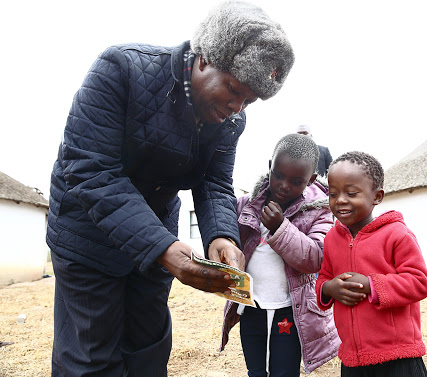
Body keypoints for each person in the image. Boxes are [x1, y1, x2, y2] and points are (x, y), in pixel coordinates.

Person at [46, 1, 294, 376]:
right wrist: (163, 248)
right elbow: (90, 171)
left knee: (149, 348)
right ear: (204, 58)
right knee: (92, 358)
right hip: (88, 235)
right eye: (232, 89)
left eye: (248, 100)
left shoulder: (229, 121)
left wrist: (223, 236)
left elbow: (214, 181)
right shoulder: (122, 69)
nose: (237, 106)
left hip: (155, 236)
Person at [219, 133, 340, 377]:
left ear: (311, 179)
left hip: (290, 312)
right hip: (251, 307)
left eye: (296, 181)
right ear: (270, 167)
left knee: (283, 372)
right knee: (256, 372)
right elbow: (225, 235)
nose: (284, 185)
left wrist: (280, 227)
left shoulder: (319, 212)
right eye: (279, 175)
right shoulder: (247, 205)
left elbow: (315, 258)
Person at [316, 151, 427, 377]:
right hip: (352, 358)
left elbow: (419, 282)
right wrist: (329, 288)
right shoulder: (331, 239)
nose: (340, 200)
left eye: (351, 193)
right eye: (333, 193)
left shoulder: (397, 234)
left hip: (398, 357)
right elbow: (323, 277)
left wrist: (371, 285)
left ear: (377, 196)